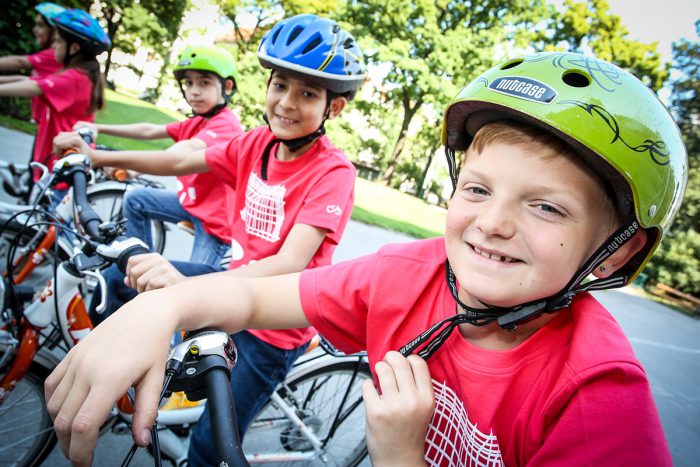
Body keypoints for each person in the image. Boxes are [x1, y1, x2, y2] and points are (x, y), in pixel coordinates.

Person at [46, 52, 683, 466]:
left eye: (547, 207)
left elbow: (290, 266)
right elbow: (258, 295)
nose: (492, 222)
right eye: (478, 189)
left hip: (280, 349)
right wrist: (165, 307)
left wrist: (401, 458)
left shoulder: (599, 405)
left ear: (616, 250)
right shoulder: (412, 274)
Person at [51, 13, 365, 466]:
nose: (287, 103)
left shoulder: (333, 172)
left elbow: (290, 263)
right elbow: (179, 163)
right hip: (233, 287)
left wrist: (190, 287)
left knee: (207, 450)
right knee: (130, 285)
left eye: (309, 93)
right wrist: (94, 155)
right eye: (280, 85)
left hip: (275, 326)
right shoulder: (256, 143)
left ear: (333, 108)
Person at [74, 45, 244, 266]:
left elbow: (177, 156)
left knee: (191, 290)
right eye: (189, 83)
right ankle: (138, 264)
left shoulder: (225, 125)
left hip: (214, 221)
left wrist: (114, 161)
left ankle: (150, 275)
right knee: (136, 199)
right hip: (193, 204)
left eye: (204, 82)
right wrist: (100, 128)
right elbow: (149, 130)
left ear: (227, 86)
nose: (194, 91)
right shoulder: (199, 121)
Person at [0, 8, 109, 198]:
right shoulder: (75, 75)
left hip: (63, 166)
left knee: (54, 225)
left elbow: (33, 88)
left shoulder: (75, 78)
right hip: (59, 164)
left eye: (58, 41)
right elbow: (30, 82)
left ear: (74, 48)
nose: (54, 47)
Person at [0, 2, 65, 126]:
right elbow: (27, 80)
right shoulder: (51, 55)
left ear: (54, 30)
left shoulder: (53, 55)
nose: (35, 30)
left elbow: (20, 62)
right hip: (45, 125)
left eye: (40, 25)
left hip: (53, 128)